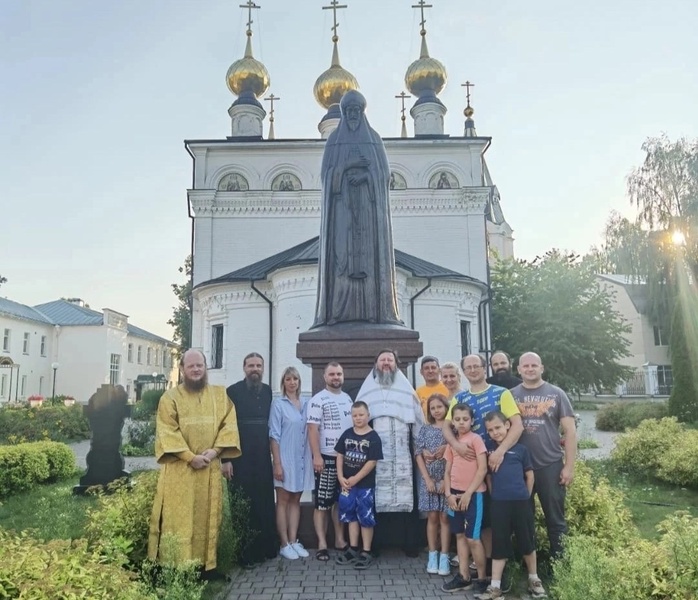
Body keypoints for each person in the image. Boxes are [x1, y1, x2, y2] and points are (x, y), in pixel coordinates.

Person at [148, 349, 241, 578]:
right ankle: (176, 569)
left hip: (209, 469)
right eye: (191, 366)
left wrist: (214, 452)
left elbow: (229, 425)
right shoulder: (169, 398)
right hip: (180, 473)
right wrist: (191, 457)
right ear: (182, 369)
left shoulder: (220, 396)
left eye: (200, 365)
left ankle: (207, 567)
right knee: (178, 520)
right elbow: (167, 432)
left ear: (205, 367)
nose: (196, 370)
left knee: (208, 518)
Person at [312, 89, 401, 327]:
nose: (352, 114)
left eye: (356, 110)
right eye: (348, 110)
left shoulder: (374, 139)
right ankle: (338, 313)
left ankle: (375, 311)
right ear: (343, 112)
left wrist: (365, 178)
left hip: (368, 213)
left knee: (370, 262)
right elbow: (326, 177)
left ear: (362, 112)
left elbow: (383, 175)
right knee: (341, 259)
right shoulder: (333, 141)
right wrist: (348, 166)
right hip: (341, 213)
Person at [443, 354, 524, 578]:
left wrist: (500, 451)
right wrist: (456, 446)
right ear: (464, 371)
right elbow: (447, 427)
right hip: (470, 473)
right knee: (481, 520)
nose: (473, 370)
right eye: (468, 367)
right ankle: (481, 569)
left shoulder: (501, 393)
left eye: (477, 366)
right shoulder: (460, 398)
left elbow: (517, 425)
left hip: (499, 467)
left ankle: (499, 569)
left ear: (484, 367)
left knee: (498, 519)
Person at [355, 349, 425, 555]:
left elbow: (418, 420)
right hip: (376, 455)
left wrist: (418, 447)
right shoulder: (367, 390)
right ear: (376, 364)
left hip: (403, 453)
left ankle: (409, 543)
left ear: (396, 364)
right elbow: (359, 421)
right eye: (382, 360)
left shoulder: (406, 389)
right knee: (377, 496)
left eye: (390, 360)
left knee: (406, 495)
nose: (386, 363)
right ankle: (376, 544)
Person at [511, 352, 577, 559]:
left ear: (542, 368)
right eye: (525, 366)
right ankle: (529, 568)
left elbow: (570, 431)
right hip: (520, 468)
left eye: (534, 365)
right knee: (524, 518)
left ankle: (560, 566)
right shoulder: (510, 395)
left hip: (550, 465)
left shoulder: (556, 394)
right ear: (519, 369)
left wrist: (569, 466)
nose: (530, 369)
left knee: (556, 519)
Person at [477, 411, 546, 600]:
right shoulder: (489, 451)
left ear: (507, 425)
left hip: (521, 502)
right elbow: (489, 477)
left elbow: (530, 476)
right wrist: (495, 496)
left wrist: (525, 495)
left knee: (526, 541)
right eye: (490, 430)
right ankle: (495, 587)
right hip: (499, 504)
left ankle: (534, 580)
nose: (494, 433)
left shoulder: (521, 450)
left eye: (498, 427)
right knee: (499, 543)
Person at [224, 353, 277, 567]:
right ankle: (245, 553)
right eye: (251, 365)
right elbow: (226, 426)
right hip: (239, 457)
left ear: (263, 368)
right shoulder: (232, 391)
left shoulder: (267, 391)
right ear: (244, 367)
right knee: (243, 502)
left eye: (258, 365)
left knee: (263, 500)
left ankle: (266, 547)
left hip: (263, 456)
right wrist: (226, 458)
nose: (255, 369)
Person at [307, 362, 354, 561]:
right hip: (326, 457)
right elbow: (312, 429)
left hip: (346, 458)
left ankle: (340, 540)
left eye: (339, 374)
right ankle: (322, 544)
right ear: (325, 377)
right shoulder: (318, 400)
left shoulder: (348, 398)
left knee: (340, 502)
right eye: (332, 374)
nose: (336, 377)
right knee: (322, 503)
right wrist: (317, 456)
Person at [441, 404, 488, 595]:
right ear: (452, 421)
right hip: (454, 494)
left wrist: (468, 493)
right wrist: (448, 495)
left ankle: (483, 579)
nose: (461, 422)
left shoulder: (476, 440)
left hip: (474, 495)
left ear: (472, 421)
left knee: (473, 538)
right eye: (457, 419)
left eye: (465, 419)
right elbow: (447, 471)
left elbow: (482, 469)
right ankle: (464, 576)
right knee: (459, 535)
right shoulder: (453, 445)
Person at [269, 366, 314, 560]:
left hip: (301, 459)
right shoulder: (278, 404)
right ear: (283, 382)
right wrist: (277, 463)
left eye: (295, 378)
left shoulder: (306, 403)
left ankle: (294, 540)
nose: (292, 382)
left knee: (296, 500)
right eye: (288, 379)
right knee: (283, 501)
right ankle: (284, 543)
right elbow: (274, 435)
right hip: (285, 459)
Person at [334, 401, 384, 569]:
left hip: (364, 485)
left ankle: (366, 551)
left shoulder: (373, 437)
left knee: (365, 516)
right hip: (347, 485)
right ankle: (353, 548)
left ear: (368, 415)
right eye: (354, 415)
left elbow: (372, 462)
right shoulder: (347, 433)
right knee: (351, 515)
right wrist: (340, 476)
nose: (358, 418)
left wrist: (356, 478)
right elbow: (340, 455)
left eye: (361, 415)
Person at [414, 393, 451, 576]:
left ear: (446, 407)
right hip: (429, 479)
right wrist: (427, 479)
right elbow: (418, 453)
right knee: (432, 518)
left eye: (439, 407)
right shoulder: (425, 429)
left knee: (445, 518)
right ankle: (432, 554)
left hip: (447, 479)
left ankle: (445, 556)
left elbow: (454, 454)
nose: (436, 411)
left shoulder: (451, 429)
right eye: (432, 408)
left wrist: (446, 479)